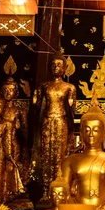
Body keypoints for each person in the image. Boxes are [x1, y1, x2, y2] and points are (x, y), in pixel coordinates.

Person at [33, 52, 76, 198]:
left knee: (59, 154)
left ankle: (60, 187)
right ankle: (45, 189)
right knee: (46, 153)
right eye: (53, 65)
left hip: (61, 121)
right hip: (47, 121)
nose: (56, 67)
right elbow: (38, 106)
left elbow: (71, 111)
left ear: (64, 69)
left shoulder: (69, 87)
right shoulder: (44, 86)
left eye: (59, 65)